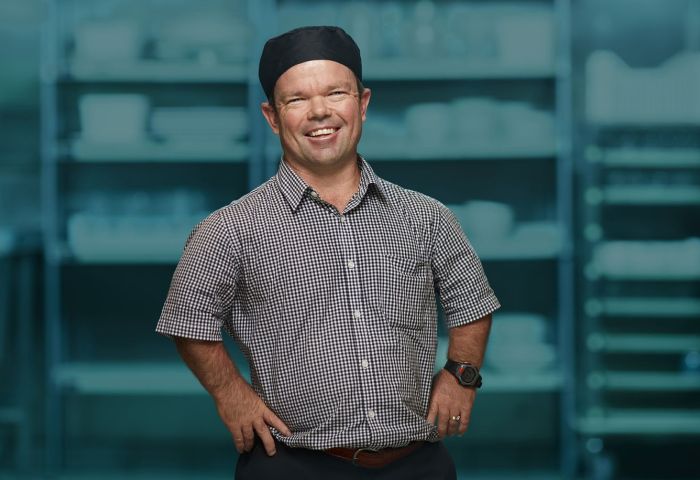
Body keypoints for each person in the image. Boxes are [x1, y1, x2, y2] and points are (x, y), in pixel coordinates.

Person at [156, 26, 500, 479]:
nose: (320, 112)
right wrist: (231, 394)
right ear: (273, 117)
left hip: (418, 465)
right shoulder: (228, 229)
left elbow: (473, 304)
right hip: (293, 466)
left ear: (363, 103)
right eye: (296, 99)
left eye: (336, 93)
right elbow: (188, 321)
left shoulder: (426, 216)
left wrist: (462, 376)